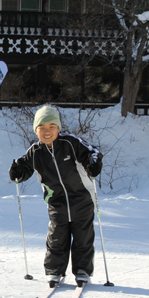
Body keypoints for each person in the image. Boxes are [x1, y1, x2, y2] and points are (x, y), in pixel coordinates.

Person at [8, 105, 103, 287]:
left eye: (51, 127)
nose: (47, 131)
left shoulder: (70, 143)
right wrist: (17, 172)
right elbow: (22, 166)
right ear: (36, 131)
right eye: (41, 128)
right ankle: (55, 270)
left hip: (82, 199)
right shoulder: (35, 152)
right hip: (56, 202)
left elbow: (92, 153)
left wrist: (93, 163)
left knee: (83, 236)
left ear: (58, 128)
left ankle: (83, 270)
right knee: (57, 236)